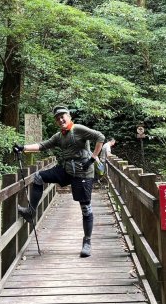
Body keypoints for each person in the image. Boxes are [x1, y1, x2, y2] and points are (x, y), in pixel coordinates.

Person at [13, 105, 105, 258]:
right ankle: (30, 211)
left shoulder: (78, 129)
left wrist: (93, 158)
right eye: (57, 118)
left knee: (86, 208)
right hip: (67, 170)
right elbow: (42, 145)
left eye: (63, 116)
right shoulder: (59, 136)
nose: (61, 119)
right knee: (39, 177)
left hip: (83, 172)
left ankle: (87, 242)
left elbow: (100, 137)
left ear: (69, 116)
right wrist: (23, 148)